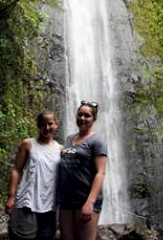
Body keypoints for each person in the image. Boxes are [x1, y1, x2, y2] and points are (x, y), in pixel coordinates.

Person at [6, 110, 63, 240]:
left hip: (50, 205)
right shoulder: (28, 144)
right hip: (27, 202)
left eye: (50, 124)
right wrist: (11, 196)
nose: (47, 128)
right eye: (43, 124)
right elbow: (16, 169)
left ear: (56, 125)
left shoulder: (60, 149)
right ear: (38, 125)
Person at [59, 100, 107, 240]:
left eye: (87, 116)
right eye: (80, 115)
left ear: (94, 119)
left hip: (86, 199)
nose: (82, 119)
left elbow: (100, 173)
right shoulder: (69, 139)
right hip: (67, 200)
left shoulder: (97, 141)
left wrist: (90, 202)